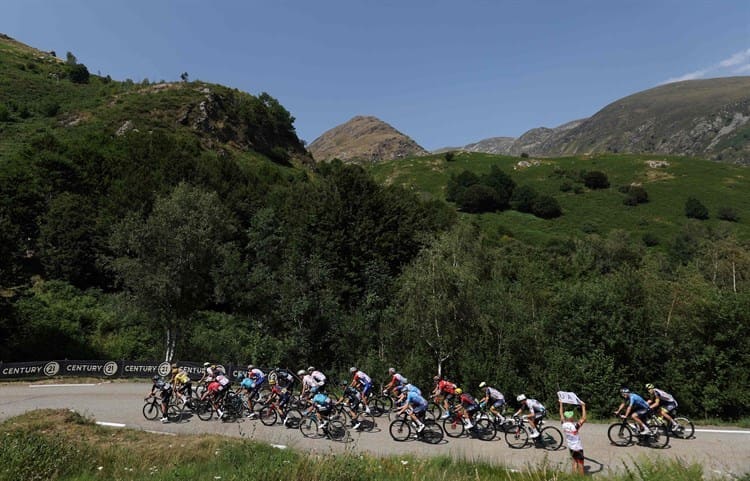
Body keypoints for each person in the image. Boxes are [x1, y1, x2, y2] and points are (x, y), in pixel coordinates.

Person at [560, 399, 587, 476]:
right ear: (571, 418)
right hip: (578, 448)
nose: (573, 417)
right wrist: (583, 406)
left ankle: (574, 477)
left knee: (574, 462)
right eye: (572, 416)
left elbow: (561, 414)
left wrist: (561, 403)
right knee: (581, 465)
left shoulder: (563, 425)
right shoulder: (574, 427)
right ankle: (581, 478)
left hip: (571, 447)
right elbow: (584, 418)